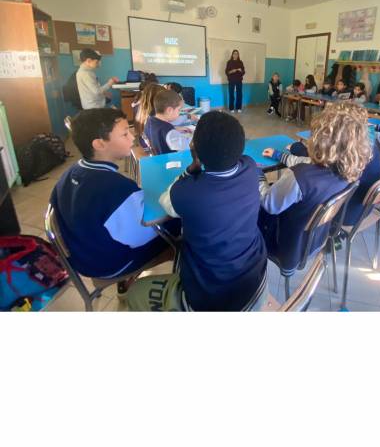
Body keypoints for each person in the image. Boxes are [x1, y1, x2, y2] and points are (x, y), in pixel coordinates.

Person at [127, 111, 268, 311]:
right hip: (256, 278)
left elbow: (165, 201)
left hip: (210, 298)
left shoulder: (187, 193)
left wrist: (190, 168)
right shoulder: (250, 167)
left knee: (135, 292)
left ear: (195, 151)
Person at [49, 108, 177, 296]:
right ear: (99, 144)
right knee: (183, 224)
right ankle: (184, 285)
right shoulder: (115, 189)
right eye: (125, 134)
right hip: (107, 264)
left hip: (82, 252)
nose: (132, 137)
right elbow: (145, 233)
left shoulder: (70, 173)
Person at [258, 102, 371, 270]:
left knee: (251, 201)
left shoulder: (300, 176)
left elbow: (269, 204)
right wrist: (279, 156)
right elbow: (306, 162)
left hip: (287, 246)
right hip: (318, 238)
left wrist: (258, 175)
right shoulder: (349, 171)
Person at [144, 89, 196, 155]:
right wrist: (194, 136)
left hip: (157, 156)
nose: (179, 113)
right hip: (170, 160)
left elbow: (160, 131)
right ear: (169, 110)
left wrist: (174, 128)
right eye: (179, 110)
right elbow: (185, 148)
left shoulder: (149, 120)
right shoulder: (169, 131)